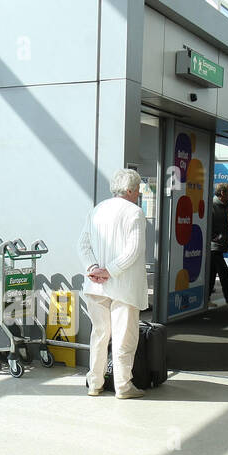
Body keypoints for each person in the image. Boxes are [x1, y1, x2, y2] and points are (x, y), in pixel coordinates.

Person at [79, 168, 148, 400]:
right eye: (138, 190)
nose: (138, 194)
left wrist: (92, 269)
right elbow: (134, 250)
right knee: (124, 337)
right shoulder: (135, 212)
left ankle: (95, 383)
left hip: (95, 286)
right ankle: (123, 386)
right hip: (123, 287)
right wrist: (110, 271)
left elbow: (83, 245)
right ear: (129, 190)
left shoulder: (97, 210)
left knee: (99, 335)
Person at [208, 182, 228, 303]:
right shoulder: (213, 206)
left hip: (219, 245)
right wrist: (215, 238)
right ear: (222, 193)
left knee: (211, 273)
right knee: (224, 272)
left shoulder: (225, 206)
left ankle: (205, 298)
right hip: (213, 246)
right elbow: (209, 225)